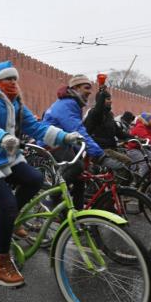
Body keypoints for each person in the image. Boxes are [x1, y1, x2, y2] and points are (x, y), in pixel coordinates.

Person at [0, 61, 77, 287]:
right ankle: (2, 264)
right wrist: (0, 137)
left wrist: (65, 137)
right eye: (8, 79)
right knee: (8, 205)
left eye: (15, 79)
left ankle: (10, 220)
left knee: (35, 179)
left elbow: (36, 127)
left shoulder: (16, 102)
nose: (13, 82)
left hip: (5, 158)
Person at [42, 75, 105, 210]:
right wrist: (99, 154)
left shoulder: (73, 103)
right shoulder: (67, 104)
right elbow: (77, 130)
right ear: (75, 88)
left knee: (80, 176)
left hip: (62, 141)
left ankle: (78, 211)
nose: (89, 92)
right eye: (86, 88)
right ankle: (51, 198)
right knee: (76, 167)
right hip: (51, 142)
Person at [84, 85, 132, 170]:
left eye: (110, 99)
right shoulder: (94, 113)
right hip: (100, 149)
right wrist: (102, 94)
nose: (111, 101)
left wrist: (135, 138)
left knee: (128, 161)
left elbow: (118, 132)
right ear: (101, 100)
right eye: (108, 99)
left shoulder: (109, 115)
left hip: (110, 148)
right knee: (125, 162)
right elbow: (98, 111)